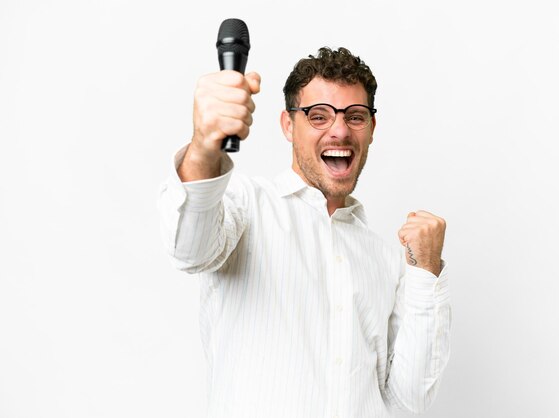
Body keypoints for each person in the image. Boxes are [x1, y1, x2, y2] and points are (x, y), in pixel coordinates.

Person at [158, 47, 450, 418]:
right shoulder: (245, 206)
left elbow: (409, 403)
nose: (340, 130)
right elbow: (190, 248)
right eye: (318, 116)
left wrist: (425, 271)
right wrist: (203, 147)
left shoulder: (385, 258)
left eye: (355, 116)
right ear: (287, 125)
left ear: (372, 130)